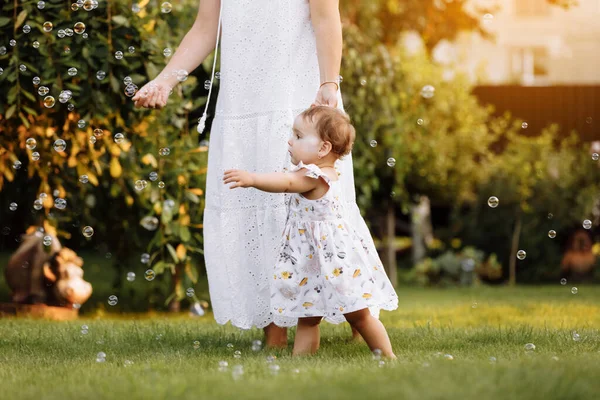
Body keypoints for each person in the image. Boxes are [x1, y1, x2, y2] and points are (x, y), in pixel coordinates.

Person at [132, 0, 381, 347]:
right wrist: (165, 81)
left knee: (323, 213)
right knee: (254, 207)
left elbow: (326, 19)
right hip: (243, 102)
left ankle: (357, 314)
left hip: (298, 96)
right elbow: (206, 28)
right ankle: (273, 328)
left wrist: (329, 84)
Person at [223, 106, 398, 357]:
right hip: (314, 261)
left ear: (323, 148)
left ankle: (388, 358)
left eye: (298, 136)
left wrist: (252, 178)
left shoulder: (314, 176)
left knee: (358, 314)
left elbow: (287, 183)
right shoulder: (324, 172)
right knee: (308, 316)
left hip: (333, 262)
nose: (290, 140)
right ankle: (301, 364)